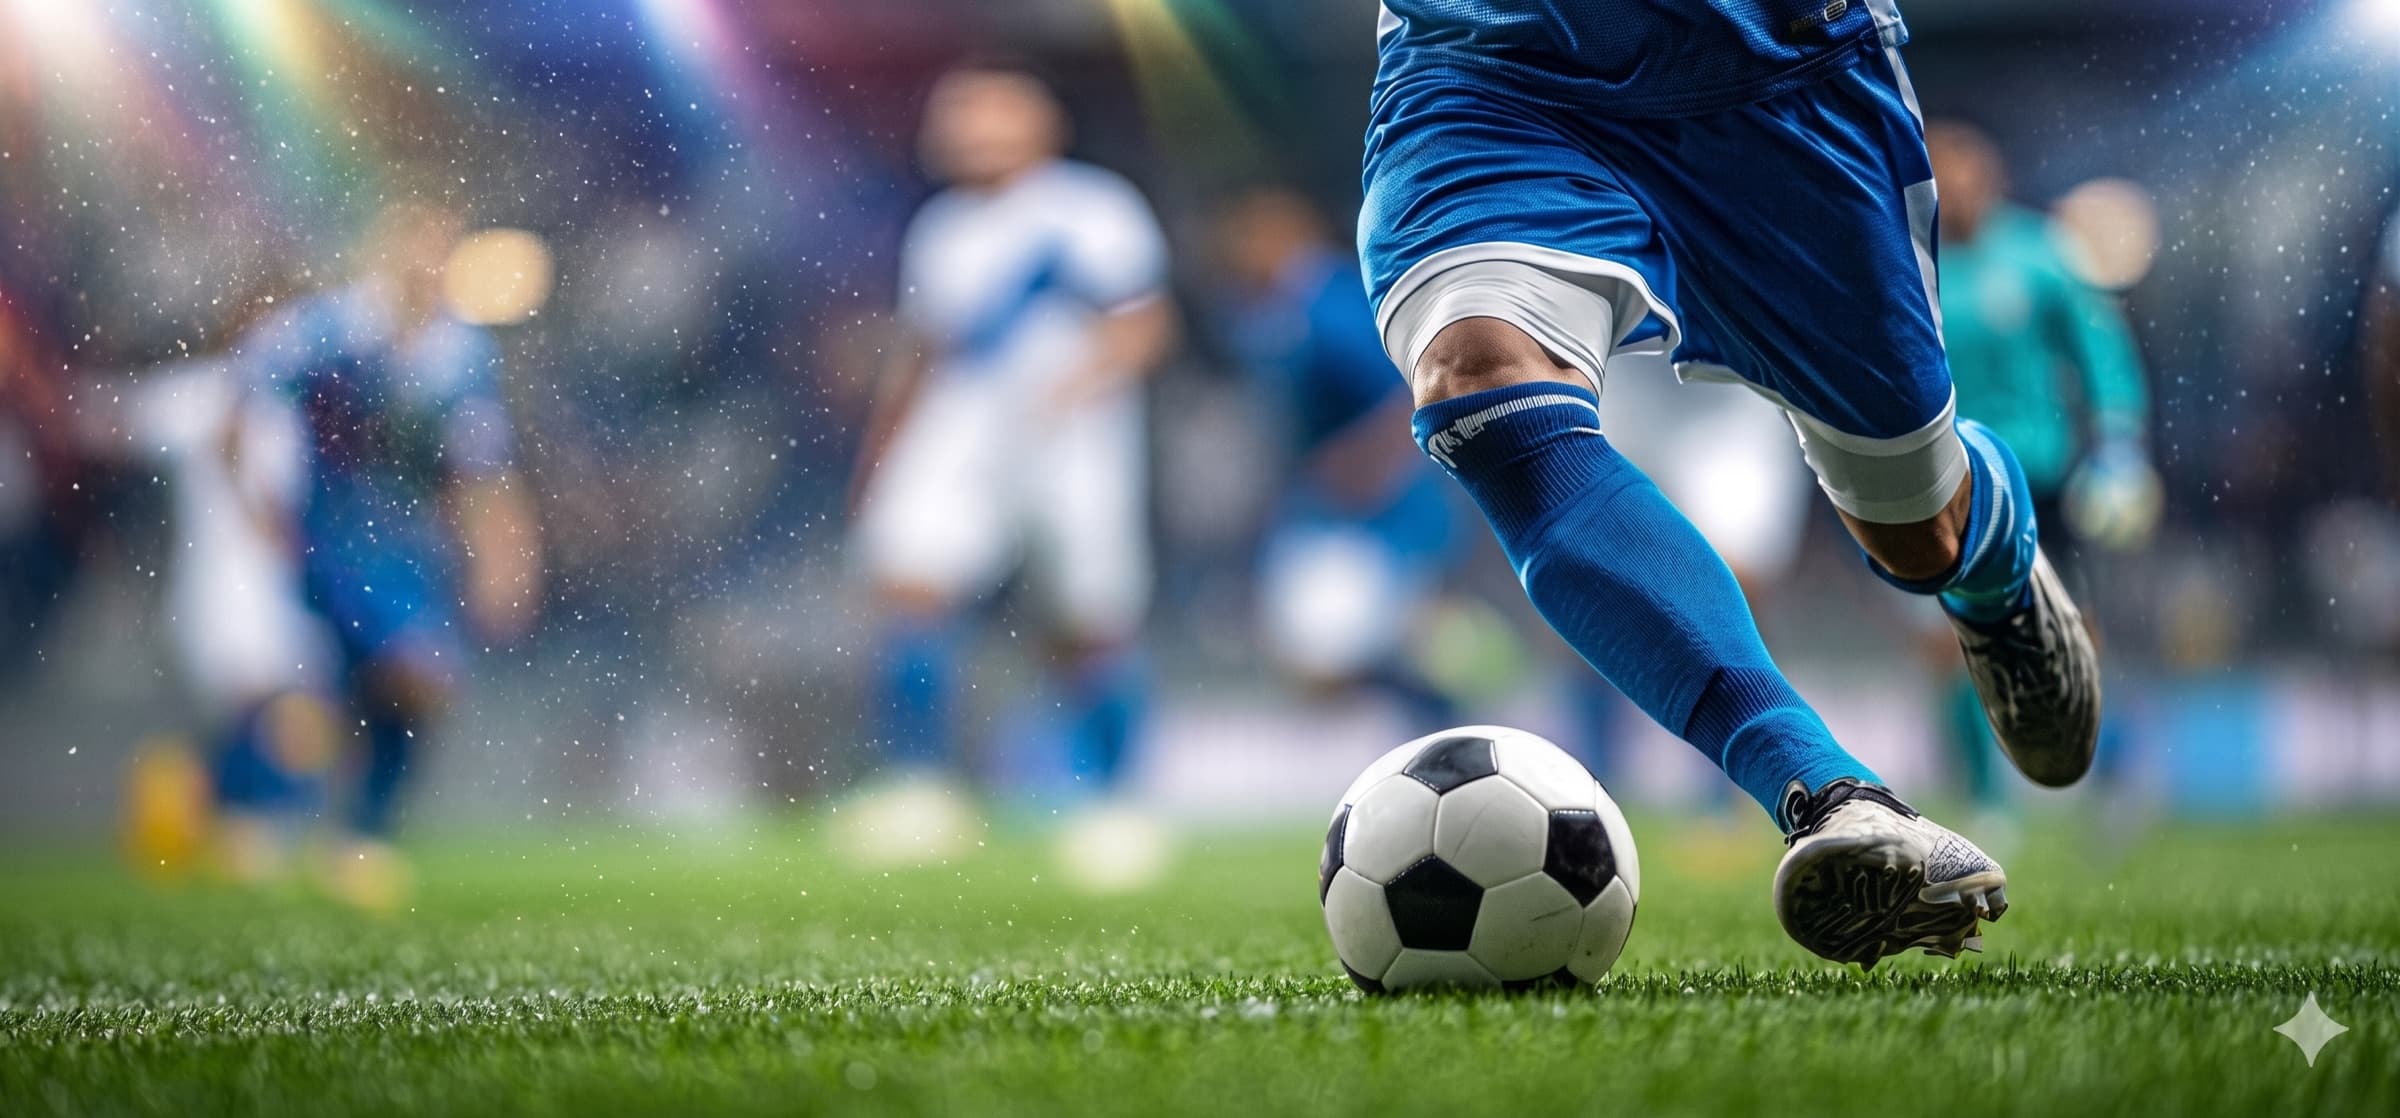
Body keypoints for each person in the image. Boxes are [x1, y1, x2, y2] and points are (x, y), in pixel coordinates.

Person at [1359, 0, 2101, 966]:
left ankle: (1992, 560)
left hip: (1773, 71)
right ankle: (1829, 791)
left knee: (1917, 530)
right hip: (1492, 63)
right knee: (1478, 386)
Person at [846, 62, 1176, 883]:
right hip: (962, 430)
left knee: (1087, 621)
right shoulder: (943, 227)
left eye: (988, 113)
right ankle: (920, 791)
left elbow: (1143, 324)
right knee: (910, 585)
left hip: (1072, 434)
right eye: (954, 116)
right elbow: (923, 353)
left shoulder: (1092, 209)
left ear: (1041, 123)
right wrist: (879, 454)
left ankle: (1117, 807)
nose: (969, 130)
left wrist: (1073, 390)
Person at [226, 203, 544, 910]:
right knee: (416, 670)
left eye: (439, 254)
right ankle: (278, 806)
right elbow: (243, 398)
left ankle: (347, 832)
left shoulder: (462, 353)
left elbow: (480, 466)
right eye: (415, 252)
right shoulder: (325, 331)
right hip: (333, 537)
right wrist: (254, 504)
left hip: (411, 547)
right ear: (386, 254)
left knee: (387, 689)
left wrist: (506, 555)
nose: (426, 269)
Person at [1924, 120, 2158, 821]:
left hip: (2042, 480)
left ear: (1991, 180)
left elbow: (2103, 353)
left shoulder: (2041, 256)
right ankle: (1985, 799)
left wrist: (2119, 446)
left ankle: (2109, 772)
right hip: (1946, 484)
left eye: (1967, 176)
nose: (1956, 192)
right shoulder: (1910, 263)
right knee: (1947, 641)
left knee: (2072, 634)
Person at [1216, 187, 1464, 725]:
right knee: (1317, 659)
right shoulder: (1260, 311)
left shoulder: (1331, 306)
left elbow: (1416, 392)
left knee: (1332, 652)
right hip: (1322, 507)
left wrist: (1359, 466)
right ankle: (1446, 674)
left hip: (1383, 506)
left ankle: (1463, 667)